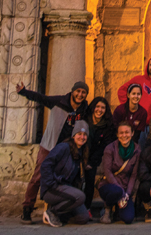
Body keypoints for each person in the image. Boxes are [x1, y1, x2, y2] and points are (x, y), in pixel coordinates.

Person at [15, 80, 90, 223]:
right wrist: (24, 92)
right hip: (50, 146)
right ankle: (27, 209)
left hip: (68, 149)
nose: (80, 94)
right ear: (73, 91)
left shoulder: (84, 109)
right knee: (38, 177)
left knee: (65, 176)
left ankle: (56, 209)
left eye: (83, 92)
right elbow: (41, 98)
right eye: (78, 91)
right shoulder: (59, 102)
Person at [39, 120, 93, 227]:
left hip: (66, 190)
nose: (82, 137)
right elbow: (46, 165)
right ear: (73, 135)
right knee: (80, 196)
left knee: (83, 217)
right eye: (79, 134)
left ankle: (58, 215)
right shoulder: (63, 147)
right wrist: (51, 183)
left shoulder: (81, 152)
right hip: (52, 188)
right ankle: (52, 211)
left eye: (84, 135)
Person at [98, 122, 141, 225]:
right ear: (117, 135)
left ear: (132, 133)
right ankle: (107, 209)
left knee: (128, 218)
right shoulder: (110, 148)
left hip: (125, 188)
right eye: (121, 133)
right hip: (109, 186)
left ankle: (117, 210)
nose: (124, 135)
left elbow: (134, 175)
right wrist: (121, 192)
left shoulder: (137, 150)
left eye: (127, 132)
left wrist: (127, 194)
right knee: (116, 191)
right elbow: (107, 171)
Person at [84, 97, 116, 209]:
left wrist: (91, 162)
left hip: (95, 157)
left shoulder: (107, 126)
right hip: (80, 154)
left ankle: (86, 207)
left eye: (103, 108)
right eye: (97, 106)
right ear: (93, 107)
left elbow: (103, 146)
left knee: (90, 178)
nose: (99, 110)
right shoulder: (84, 120)